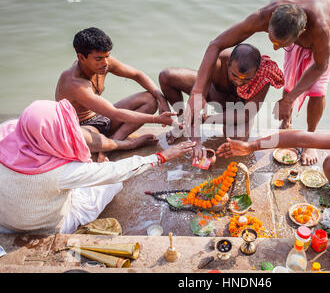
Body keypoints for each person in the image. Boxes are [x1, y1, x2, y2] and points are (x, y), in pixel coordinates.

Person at [186, 0, 330, 165]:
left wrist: (288, 100)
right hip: (291, 28)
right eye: (272, 41)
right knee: (290, 79)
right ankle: (286, 123)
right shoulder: (263, 16)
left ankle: (311, 138)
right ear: (268, 24)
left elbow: (320, 66)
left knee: (317, 88)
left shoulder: (321, 29)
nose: (275, 49)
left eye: (281, 45)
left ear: (302, 33)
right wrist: (197, 92)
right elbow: (215, 45)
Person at [0, 99, 195, 234]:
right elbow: (116, 172)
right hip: (44, 227)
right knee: (111, 183)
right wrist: (161, 156)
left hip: (5, 223)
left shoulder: (7, 134)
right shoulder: (57, 173)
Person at [55, 27, 179, 161]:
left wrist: (161, 99)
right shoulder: (73, 82)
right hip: (84, 127)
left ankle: (112, 143)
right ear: (81, 57)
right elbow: (114, 113)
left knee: (150, 99)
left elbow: (137, 75)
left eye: (107, 56)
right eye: (99, 59)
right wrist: (157, 119)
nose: (105, 63)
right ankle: (127, 144)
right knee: (82, 139)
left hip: (101, 116)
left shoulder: (104, 62)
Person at [159, 43, 284, 154]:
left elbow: (246, 114)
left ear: (256, 72)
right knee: (166, 76)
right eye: (234, 76)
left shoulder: (264, 76)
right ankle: (182, 124)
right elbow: (197, 94)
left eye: (246, 79)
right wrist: (195, 142)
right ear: (228, 62)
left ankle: (191, 123)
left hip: (237, 109)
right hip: (214, 94)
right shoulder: (217, 60)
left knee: (236, 138)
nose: (239, 83)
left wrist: (209, 119)